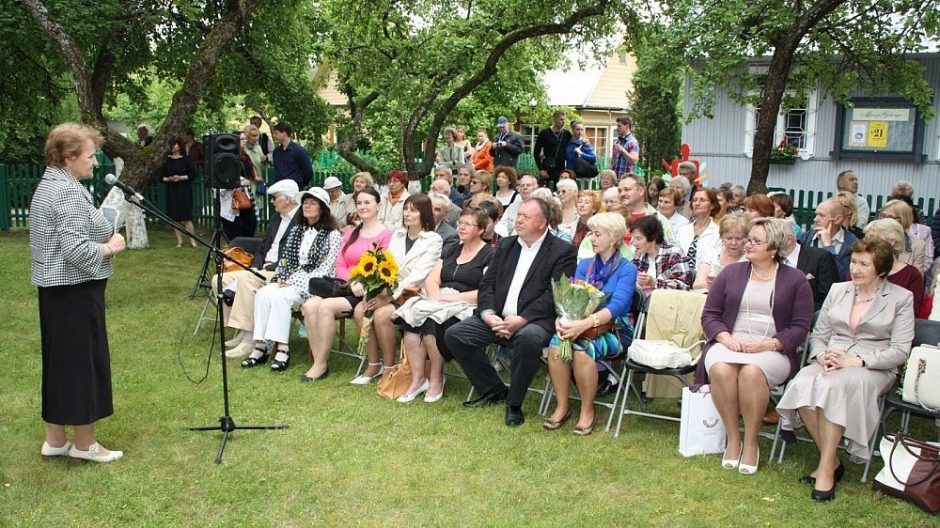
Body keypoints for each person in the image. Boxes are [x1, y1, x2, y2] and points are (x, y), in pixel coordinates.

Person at [777, 238, 915, 501]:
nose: (856, 269)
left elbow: (899, 351)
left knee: (830, 386)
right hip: (831, 359)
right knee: (802, 384)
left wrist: (858, 361)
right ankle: (833, 462)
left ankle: (825, 471)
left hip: (874, 366)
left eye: (864, 264)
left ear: (882, 270)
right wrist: (821, 355)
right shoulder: (838, 290)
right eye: (853, 262)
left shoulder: (901, 298)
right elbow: (819, 335)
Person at [31, 123, 127, 463]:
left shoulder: (50, 184)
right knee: (83, 365)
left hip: (55, 292)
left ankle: (55, 439)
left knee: (60, 364)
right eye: (89, 156)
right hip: (74, 290)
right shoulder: (67, 191)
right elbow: (75, 249)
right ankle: (85, 445)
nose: (94, 162)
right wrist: (111, 247)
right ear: (68, 157)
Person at [445, 198, 577, 427]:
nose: (519, 220)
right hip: (497, 317)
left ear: (542, 222)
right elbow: (488, 284)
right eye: (518, 215)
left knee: (528, 338)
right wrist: (487, 314)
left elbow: (555, 294)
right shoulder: (506, 245)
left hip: (534, 321)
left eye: (526, 216)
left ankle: (514, 404)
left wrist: (521, 319)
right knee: (455, 334)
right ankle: (493, 389)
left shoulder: (562, 251)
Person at [697, 217, 813, 476]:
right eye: (749, 239)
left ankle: (750, 441)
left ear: (773, 248)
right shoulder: (731, 273)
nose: (747, 244)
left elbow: (800, 326)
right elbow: (710, 315)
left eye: (755, 241)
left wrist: (771, 343)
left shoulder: (795, 280)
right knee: (722, 370)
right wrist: (725, 338)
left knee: (751, 372)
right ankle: (733, 437)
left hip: (772, 349)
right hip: (730, 341)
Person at [544, 212, 637, 435]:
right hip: (580, 325)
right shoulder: (584, 265)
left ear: (613, 238)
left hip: (615, 328)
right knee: (556, 345)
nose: (592, 238)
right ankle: (562, 405)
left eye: (597, 234)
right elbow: (572, 297)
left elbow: (618, 306)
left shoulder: (627, 269)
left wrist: (584, 324)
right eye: (591, 233)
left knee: (582, 350)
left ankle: (587, 410)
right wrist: (562, 319)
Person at [392, 207, 495, 402]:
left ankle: (436, 378)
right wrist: (436, 296)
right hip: (439, 300)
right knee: (411, 320)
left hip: (466, 305)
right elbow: (432, 279)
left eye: (468, 224)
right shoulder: (452, 248)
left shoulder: (489, 254)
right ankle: (417, 379)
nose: (461, 227)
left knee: (431, 322)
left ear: (481, 229)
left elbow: (485, 291)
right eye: (460, 223)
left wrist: (449, 299)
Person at [242, 188, 341, 372]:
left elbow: (326, 269)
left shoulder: (332, 235)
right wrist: (282, 276)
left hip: (313, 284)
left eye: (313, 203)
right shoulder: (297, 230)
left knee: (282, 297)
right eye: (305, 202)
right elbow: (285, 259)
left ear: (322, 208)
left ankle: (283, 349)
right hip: (290, 279)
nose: (307, 206)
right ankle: (261, 346)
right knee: (264, 293)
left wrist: (293, 281)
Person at [299, 188, 393, 381]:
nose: (363, 207)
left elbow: (382, 266)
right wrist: (350, 281)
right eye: (359, 203)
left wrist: (359, 283)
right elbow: (340, 263)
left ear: (378, 206)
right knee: (309, 306)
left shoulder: (387, 234)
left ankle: (320, 365)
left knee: (325, 306)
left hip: (364, 291)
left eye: (368, 202)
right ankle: (319, 361)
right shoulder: (351, 232)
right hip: (343, 285)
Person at [352, 194, 443, 385]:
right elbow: (386, 265)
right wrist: (375, 291)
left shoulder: (433, 239)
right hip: (391, 291)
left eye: (413, 210)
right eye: (406, 209)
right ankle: (373, 363)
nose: (407, 213)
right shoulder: (398, 235)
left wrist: (389, 297)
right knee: (361, 309)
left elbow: (418, 275)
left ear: (424, 213)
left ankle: (389, 366)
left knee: (382, 315)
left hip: (415, 293)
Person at [221, 180, 301, 359]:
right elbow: (262, 246)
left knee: (247, 280)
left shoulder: (302, 219)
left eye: (275, 198)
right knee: (220, 280)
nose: (272, 202)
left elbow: (296, 254)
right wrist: (256, 265)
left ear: (287, 198)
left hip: (280, 271)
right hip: (262, 268)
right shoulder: (275, 219)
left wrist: (265, 269)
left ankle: (251, 339)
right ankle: (240, 330)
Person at [864, 219, 925, 314]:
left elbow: (912, 313)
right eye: (866, 238)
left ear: (892, 241)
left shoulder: (911, 275)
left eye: (872, 238)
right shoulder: (858, 269)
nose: (866, 243)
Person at [780, 221, 839, 312]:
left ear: (788, 240)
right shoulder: (767, 259)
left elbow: (828, 298)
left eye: (771, 238)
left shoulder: (820, 257)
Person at [798, 199, 859, 280]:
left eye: (821, 215)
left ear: (838, 219)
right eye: (816, 215)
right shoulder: (804, 238)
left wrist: (828, 246)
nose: (815, 219)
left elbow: (841, 276)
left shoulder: (852, 244)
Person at [631, 216, 692, 293]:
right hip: (643, 301)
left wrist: (654, 282)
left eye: (638, 239)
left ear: (653, 237)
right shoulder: (638, 255)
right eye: (633, 239)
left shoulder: (675, 253)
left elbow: (683, 287)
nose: (634, 243)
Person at [693, 214, 748, 293]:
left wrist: (719, 283)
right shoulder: (711, 254)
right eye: (729, 238)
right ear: (721, 236)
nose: (733, 243)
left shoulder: (749, 260)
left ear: (746, 238)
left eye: (738, 238)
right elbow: (698, 284)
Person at [618, 173, 677, 246]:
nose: (622, 194)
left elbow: (673, 251)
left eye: (627, 189)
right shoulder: (614, 217)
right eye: (620, 191)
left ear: (641, 191)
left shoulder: (659, 220)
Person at [160, 138, 198, 247]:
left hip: (184, 190)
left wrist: (181, 177)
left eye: (174, 145)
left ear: (179, 146)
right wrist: (169, 179)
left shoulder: (186, 159)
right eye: (171, 145)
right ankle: (179, 241)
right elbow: (161, 177)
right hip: (172, 191)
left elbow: (193, 174)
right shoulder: (167, 161)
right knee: (175, 218)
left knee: (187, 217)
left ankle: (193, 241)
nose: (172, 147)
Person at [878, 199, 928, 275]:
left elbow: (917, 279)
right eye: (883, 216)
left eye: (890, 217)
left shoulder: (918, 246)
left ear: (904, 219)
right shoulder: (872, 241)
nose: (885, 220)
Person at [677, 188, 721, 269]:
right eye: (694, 200)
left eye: (702, 200)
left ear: (712, 205)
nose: (697, 203)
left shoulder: (718, 233)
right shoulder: (683, 230)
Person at [534, 110, 571, 185]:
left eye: (564, 120)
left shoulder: (566, 134)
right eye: (561, 119)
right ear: (554, 119)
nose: (563, 122)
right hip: (548, 168)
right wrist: (541, 169)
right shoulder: (544, 133)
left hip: (562, 169)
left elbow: (573, 146)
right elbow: (536, 152)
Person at [271, 122, 313, 188]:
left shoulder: (299, 150)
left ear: (284, 133)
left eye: (276, 133)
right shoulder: (276, 152)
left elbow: (308, 171)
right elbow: (277, 170)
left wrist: (300, 184)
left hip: (295, 188)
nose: (274, 135)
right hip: (280, 188)